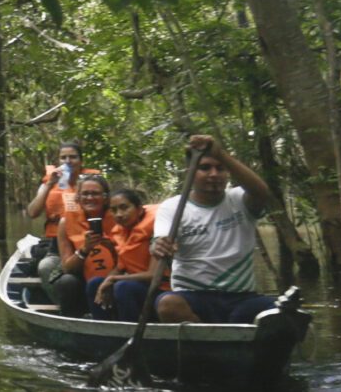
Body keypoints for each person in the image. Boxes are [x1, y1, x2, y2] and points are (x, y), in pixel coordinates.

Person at [113, 134, 281, 324]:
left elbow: (262, 192)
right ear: (191, 172)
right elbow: (160, 240)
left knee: (283, 313)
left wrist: (221, 154)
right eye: (205, 168)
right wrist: (160, 246)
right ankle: (205, 337)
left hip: (241, 298)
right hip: (193, 297)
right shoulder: (172, 207)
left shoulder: (240, 199)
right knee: (168, 305)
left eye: (220, 168)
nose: (214, 174)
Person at [47, 171, 114, 315]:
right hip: (82, 278)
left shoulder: (119, 217)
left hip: (117, 275)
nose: (90, 198)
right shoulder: (65, 223)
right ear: (78, 198)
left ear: (106, 198)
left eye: (95, 194)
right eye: (85, 194)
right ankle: (72, 323)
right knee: (67, 281)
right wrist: (85, 249)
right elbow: (67, 267)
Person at [86, 188, 156, 318]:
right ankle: (100, 334)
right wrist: (106, 282)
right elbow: (120, 267)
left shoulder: (156, 230)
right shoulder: (120, 233)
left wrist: (113, 279)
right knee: (96, 283)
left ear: (139, 210)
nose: (118, 214)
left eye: (124, 208)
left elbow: (153, 275)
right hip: (135, 285)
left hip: (159, 289)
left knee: (123, 286)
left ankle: (129, 335)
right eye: (114, 210)